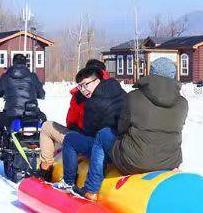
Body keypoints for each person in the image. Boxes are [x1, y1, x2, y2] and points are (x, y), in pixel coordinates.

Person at [52, 66, 126, 199]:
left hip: (107, 149)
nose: (83, 90)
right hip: (124, 145)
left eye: (86, 84)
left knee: (70, 139)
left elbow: (88, 132)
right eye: (80, 86)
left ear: (97, 81)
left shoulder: (93, 102)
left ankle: (68, 181)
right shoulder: (120, 91)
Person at [111, 57, 188, 175]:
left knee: (104, 135)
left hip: (135, 163)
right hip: (170, 162)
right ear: (173, 76)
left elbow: (122, 129)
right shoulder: (183, 103)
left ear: (151, 73)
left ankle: (93, 187)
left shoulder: (133, 97)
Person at [36, 59, 110, 181]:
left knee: (47, 127)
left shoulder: (81, 93)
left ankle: (46, 168)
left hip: (87, 141)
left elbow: (71, 120)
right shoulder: (115, 90)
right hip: (111, 143)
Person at [0, 53, 46, 149]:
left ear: (13, 62)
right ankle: (45, 147)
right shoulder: (33, 76)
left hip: (12, 115)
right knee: (44, 120)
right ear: (26, 63)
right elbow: (42, 94)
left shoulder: (6, 76)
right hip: (31, 115)